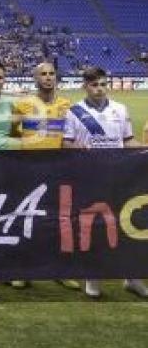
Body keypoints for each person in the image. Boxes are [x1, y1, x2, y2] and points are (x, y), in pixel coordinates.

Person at [62, 67, 148, 299]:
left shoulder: (120, 109)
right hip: (89, 177)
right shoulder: (74, 112)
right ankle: (93, 277)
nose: (99, 89)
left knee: (126, 226)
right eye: (94, 85)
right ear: (85, 86)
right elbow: (65, 144)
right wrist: (74, 148)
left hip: (119, 177)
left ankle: (132, 278)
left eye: (102, 84)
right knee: (94, 227)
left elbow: (128, 140)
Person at [12, 61, 79, 290]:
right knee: (26, 220)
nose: (48, 77)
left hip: (58, 170)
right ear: (35, 78)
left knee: (58, 221)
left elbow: (70, 138)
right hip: (28, 171)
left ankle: (58, 270)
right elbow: (11, 135)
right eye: (43, 74)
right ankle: (24, 270)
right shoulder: (22, 105)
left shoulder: (67, 105)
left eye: (52, 74)